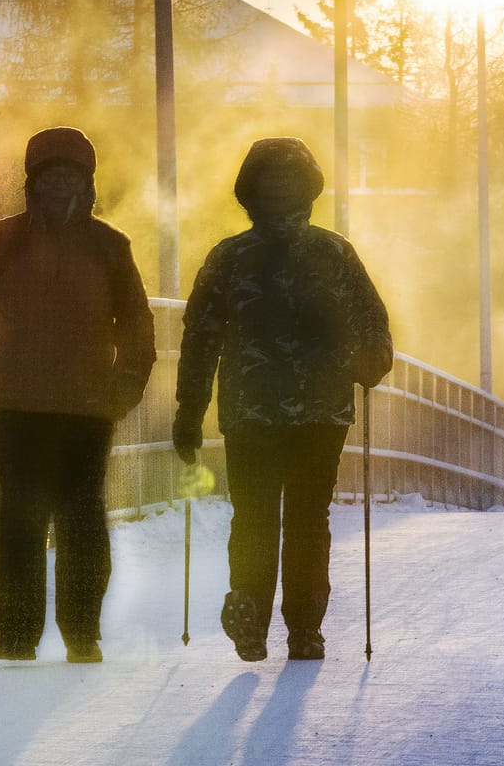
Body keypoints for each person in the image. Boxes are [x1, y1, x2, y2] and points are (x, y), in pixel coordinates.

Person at [172, 137, 393, 662]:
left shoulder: (334, 252)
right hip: (252, 414)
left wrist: (369, 362)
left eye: (289, 179)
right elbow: (200, 337)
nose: (279, 188)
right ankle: (251, 617)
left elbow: (373, 323)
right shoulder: (230, 258)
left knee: (306, 520)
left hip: (320, 412)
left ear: (307, 187)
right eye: (269, 180)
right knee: (254, 517)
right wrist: (188, 409)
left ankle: (303, 627)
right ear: (252, 189)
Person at [0, 126, 156, 662]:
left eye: (71, 174)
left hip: (86, 407)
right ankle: (19, 636)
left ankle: (79, 632)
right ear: (33, 181)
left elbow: (137, 328)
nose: (61, 183)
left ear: (87, 182)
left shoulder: (111, 246)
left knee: (78, 518)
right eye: (50, 174)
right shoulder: (2, 240)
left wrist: (122, 393)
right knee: (24, 519)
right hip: (16, 405)